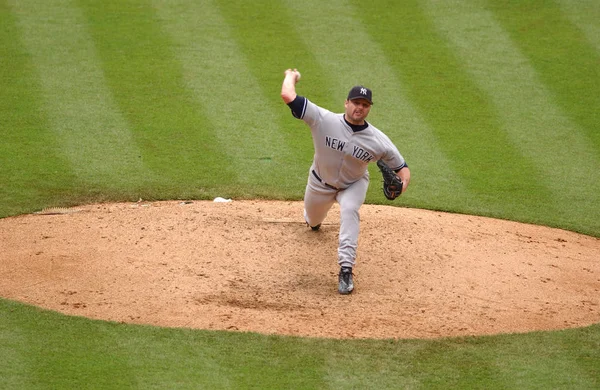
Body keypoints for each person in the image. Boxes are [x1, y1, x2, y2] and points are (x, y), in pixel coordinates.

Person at [280, 68, 411, 295]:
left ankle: (346, 269)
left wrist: (400, 187)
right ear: (346, 103)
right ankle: (314, 223)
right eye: (356, 102)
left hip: (354, 184)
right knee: (312, 219)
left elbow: (403, 170)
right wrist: (291, 76)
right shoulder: (323, 119)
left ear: (369, 108)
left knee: (350, 210)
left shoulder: (379, 141)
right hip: (319, 183)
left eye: (365, 104)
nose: (359, 108)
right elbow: (287, 96)